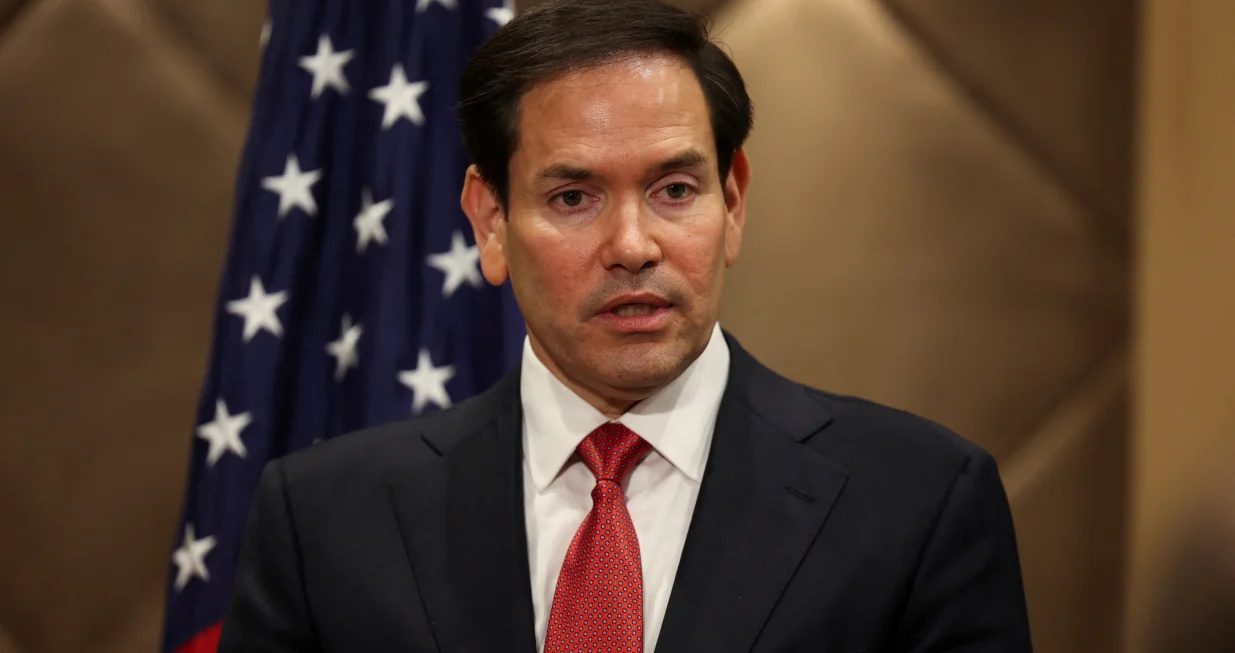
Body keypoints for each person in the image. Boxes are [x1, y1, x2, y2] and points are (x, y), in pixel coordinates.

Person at [217, 0, 1033, 651]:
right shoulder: (323, 520)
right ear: (491, 222)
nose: (633, 246)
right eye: (572, 198)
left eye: (674, 189)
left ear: (734, 200)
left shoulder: (920, 503)